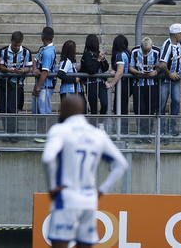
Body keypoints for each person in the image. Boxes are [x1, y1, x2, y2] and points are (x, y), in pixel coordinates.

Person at [42, 95, 128, 248]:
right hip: (89, 199)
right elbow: (121, 164)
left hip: (66, 197)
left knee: (60, 243)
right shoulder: (97, 134)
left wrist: (53, 186)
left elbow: (48, 158)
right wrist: (102, 189)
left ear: (65, 110)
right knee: (85, 244)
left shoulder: (60, 130)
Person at [157, 23, 181, 137]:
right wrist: (170, 74)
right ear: (175, 34)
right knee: (162, 103)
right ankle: (161, 127)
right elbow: (162, 64)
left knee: (176, 101)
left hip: (176, 78)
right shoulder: (167, 45)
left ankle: (172, 124)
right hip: (166, 79)